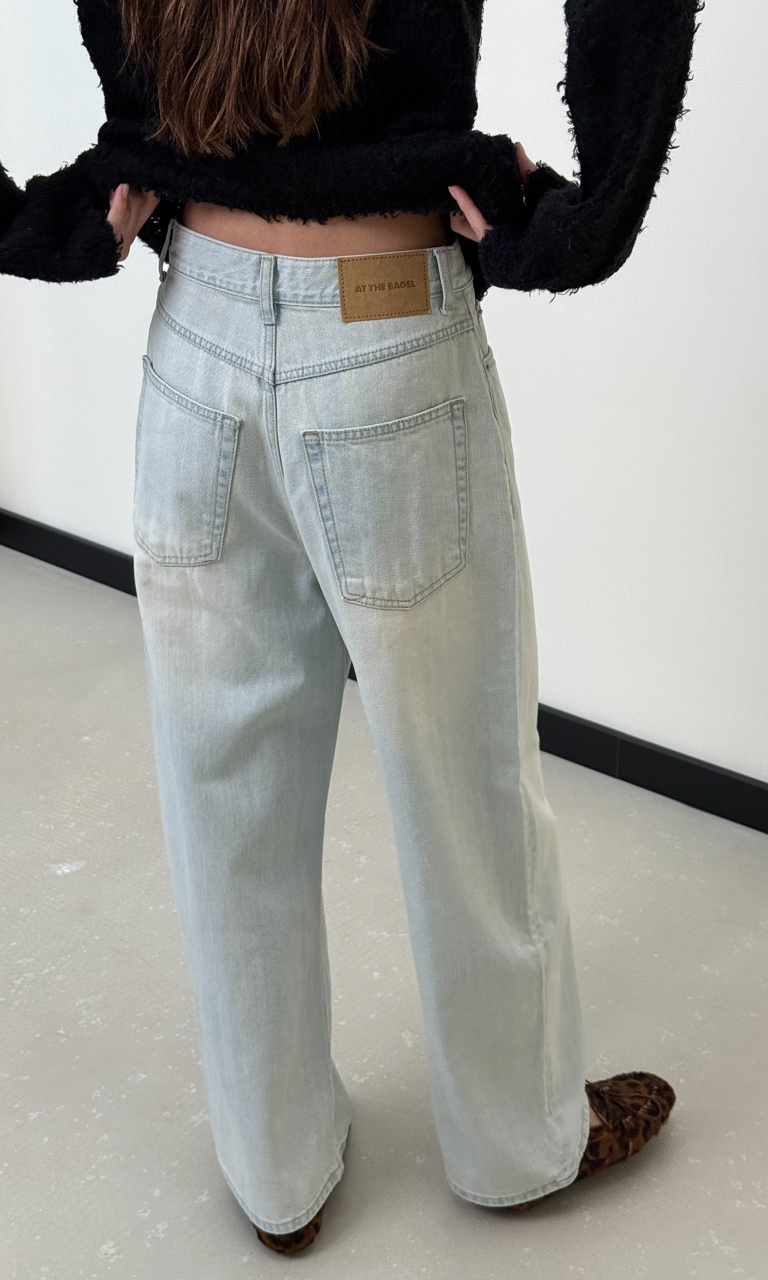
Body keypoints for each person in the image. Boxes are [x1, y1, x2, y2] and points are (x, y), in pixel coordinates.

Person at [0, 0, 702, 1256]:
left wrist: (30, 219)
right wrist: (584, 219)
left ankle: (274, 1169)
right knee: (465, 779)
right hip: (389, 333)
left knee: (225, 790)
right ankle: (516, 1140)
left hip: (197, 331)